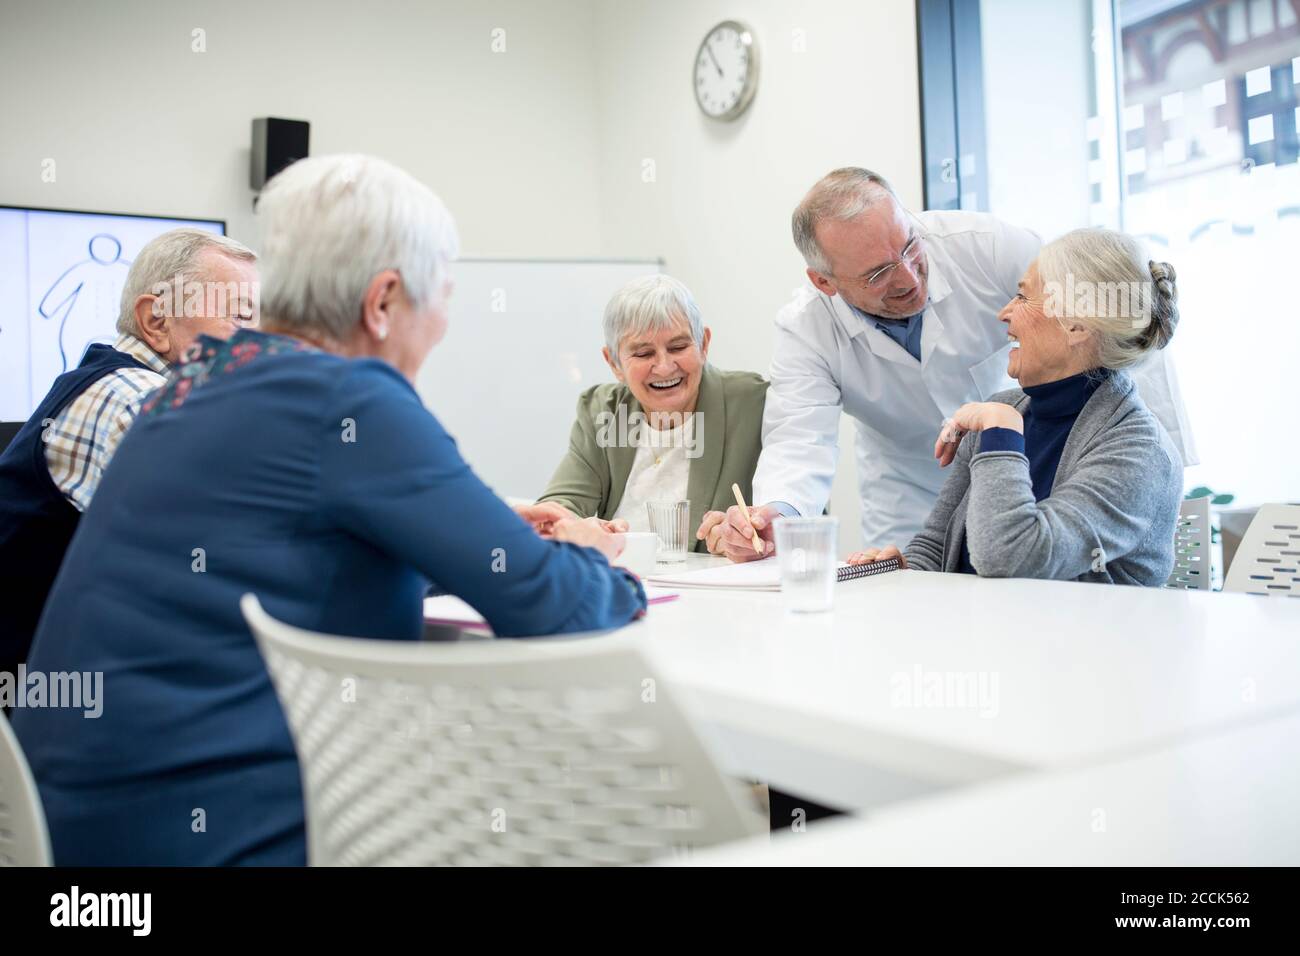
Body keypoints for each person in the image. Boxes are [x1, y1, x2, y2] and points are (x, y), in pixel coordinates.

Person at [13, 154, 645, 865]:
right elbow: (557, 606)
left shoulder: (183, 390)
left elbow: (279, 549)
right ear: (381, 302)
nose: (440, 327)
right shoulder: (349, 399)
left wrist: (469, 541)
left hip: (72, 845)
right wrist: (590, 555)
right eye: (441, 300)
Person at [701, 167, 1195, 561]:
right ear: (825, 282)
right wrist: (772, 517)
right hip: (916, 487)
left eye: (910, 246)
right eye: (878, 273)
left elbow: (1112, 314)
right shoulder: (805, 330)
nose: (909, 278)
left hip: (1046, 463)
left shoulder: (988, 246)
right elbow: (798, 442)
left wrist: (1159, 482)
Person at [848, 228, 1183, 585]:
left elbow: (1010, 558)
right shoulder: (1004, 411)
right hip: (986, 634)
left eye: (1023, 297)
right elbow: (937, 546)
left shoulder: (1139, 452)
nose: (1004, 313)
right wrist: (905, 571)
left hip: (1082, 640)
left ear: (1076, 325)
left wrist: (1002, 431)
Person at [0, 229, 257, 681]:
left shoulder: (125, 382)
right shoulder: (131, 397)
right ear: (156, 321)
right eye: (237, 316)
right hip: (41, 700)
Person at [538, 274, 767, 553]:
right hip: (627, 583)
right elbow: (555, 512)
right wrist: (577, 529)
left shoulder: (752, 403)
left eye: (678, 347)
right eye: (644, 353)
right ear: (614, 363)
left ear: (704, 344)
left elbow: (798, 519)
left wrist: (746, 534)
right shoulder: (604, 411)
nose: (664, 366)